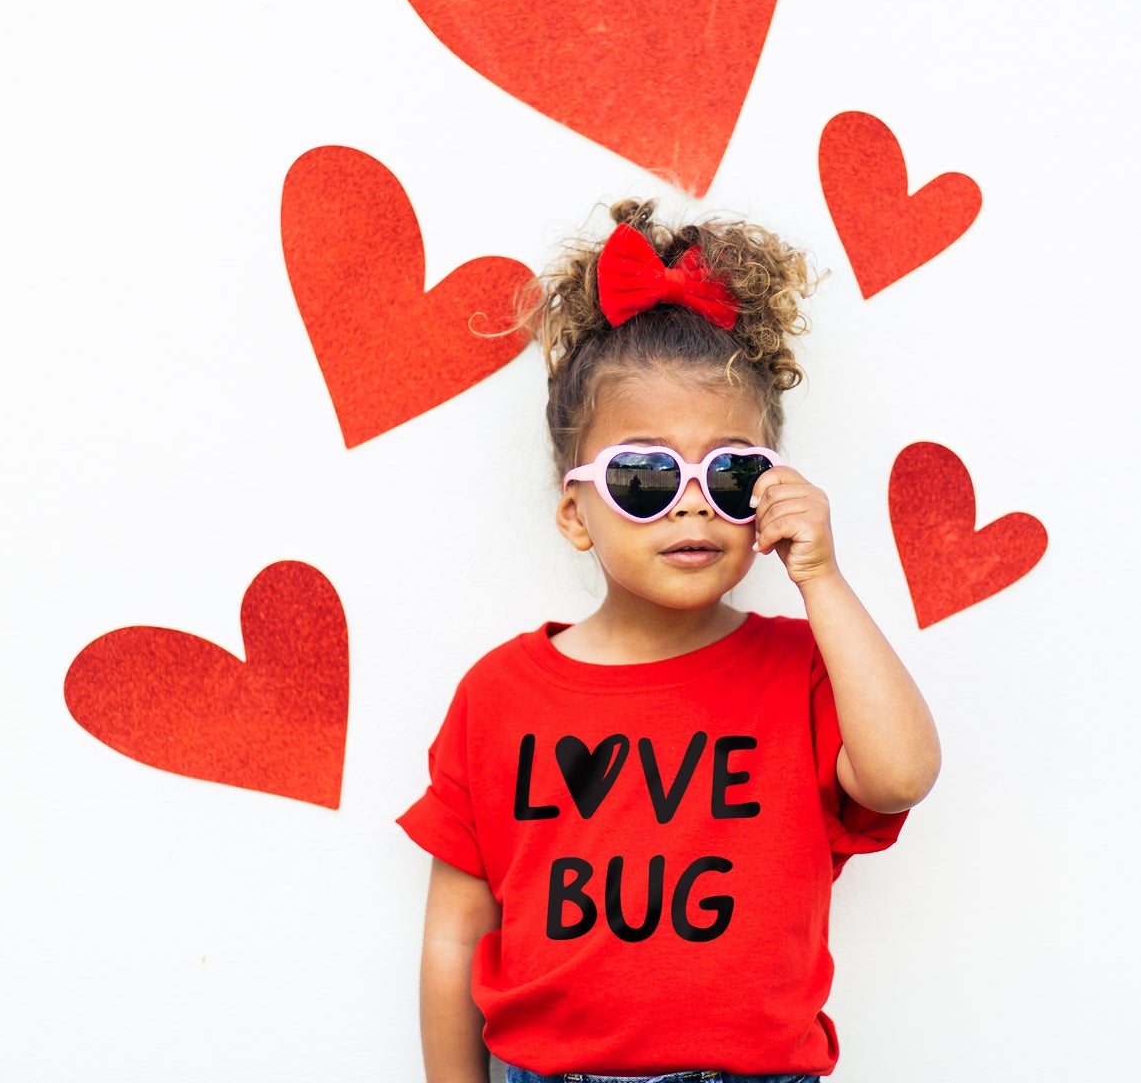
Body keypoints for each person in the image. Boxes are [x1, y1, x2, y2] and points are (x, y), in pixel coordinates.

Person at [398, 199, 941, 1083]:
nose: (693, 501)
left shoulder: (804, 670)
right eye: (645, 475)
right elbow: (458, 931)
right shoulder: (498, 695)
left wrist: (823, 578)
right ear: (574, 513)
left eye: (731, 474)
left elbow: (902, 774)